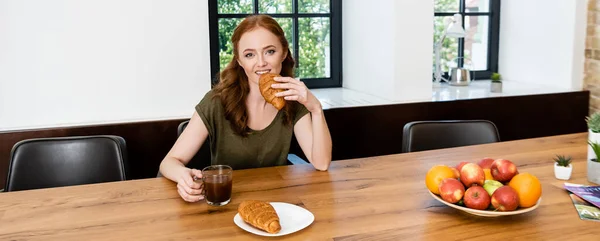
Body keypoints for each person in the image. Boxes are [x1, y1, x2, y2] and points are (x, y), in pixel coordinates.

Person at [159, 15, 332, 202]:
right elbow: (169, 163)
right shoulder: (216, 102)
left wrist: (316, 108)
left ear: (283, 52)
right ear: (240, 61)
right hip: (226, 203)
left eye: (270, 51)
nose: (261, 63)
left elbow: (321, 163)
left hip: (276, 202)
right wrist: (182, 175)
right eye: (250, 54)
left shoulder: (292, 101)